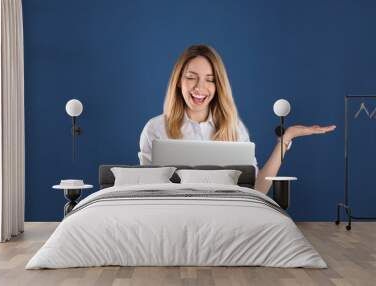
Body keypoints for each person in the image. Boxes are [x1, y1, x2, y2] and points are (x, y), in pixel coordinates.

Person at [138, 45, 335, 194]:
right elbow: (148, 191)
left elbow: (257, 189)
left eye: (210, 79)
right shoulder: (155, 129)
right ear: (178, 82)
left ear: (218, 86)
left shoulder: (234, 129)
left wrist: (286, 139)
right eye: (191, 77)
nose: (200, 87)